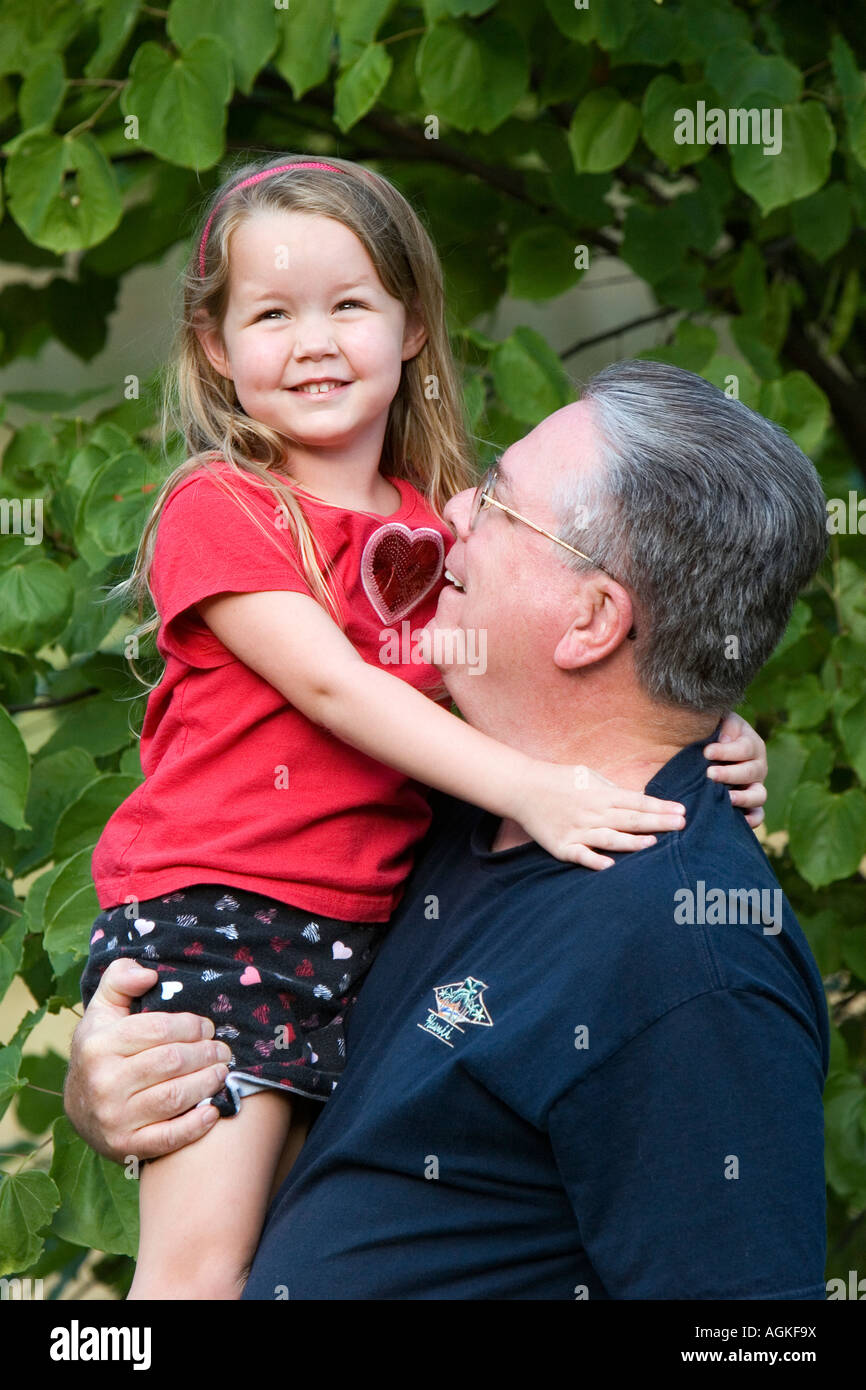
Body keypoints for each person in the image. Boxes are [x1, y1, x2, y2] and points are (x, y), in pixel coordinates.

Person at [78, 157, 763, 1302]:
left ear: (408, 326)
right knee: (197, 1275)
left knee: (292, 1259)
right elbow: (342, 692)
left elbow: (542, 659)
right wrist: (529, 789)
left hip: (364, 939)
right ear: (212, 347)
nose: (313, 342)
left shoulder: (434, 525)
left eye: (348, 305)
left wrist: (704, 723)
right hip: (225, 915)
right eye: (270, 315)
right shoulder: (225, 509)